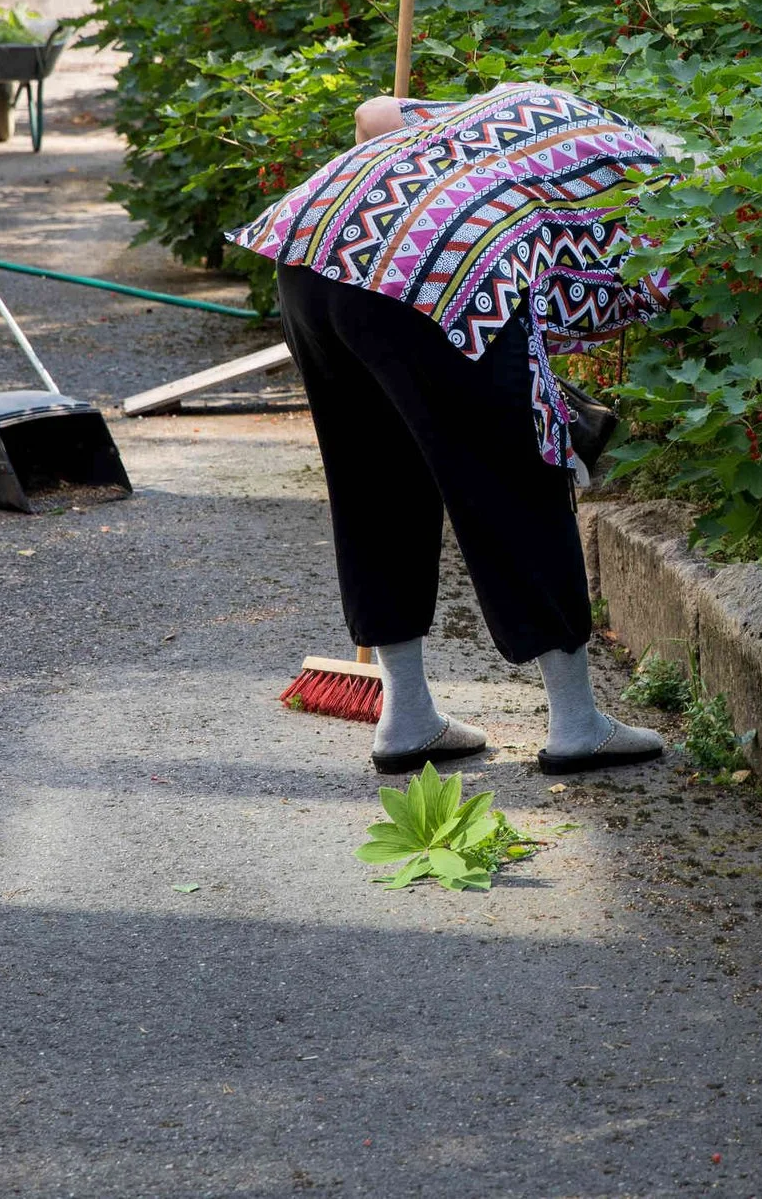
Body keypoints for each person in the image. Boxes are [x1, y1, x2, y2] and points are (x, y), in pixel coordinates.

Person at [229, 82, 672, 774]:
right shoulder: (663, 195)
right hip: (441, 269)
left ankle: (406, 719)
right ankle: (577, 723)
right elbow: (633, 307)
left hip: (317, 247)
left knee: (374, 478)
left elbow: (373, 115)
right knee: (521, 475)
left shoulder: (532, 110)